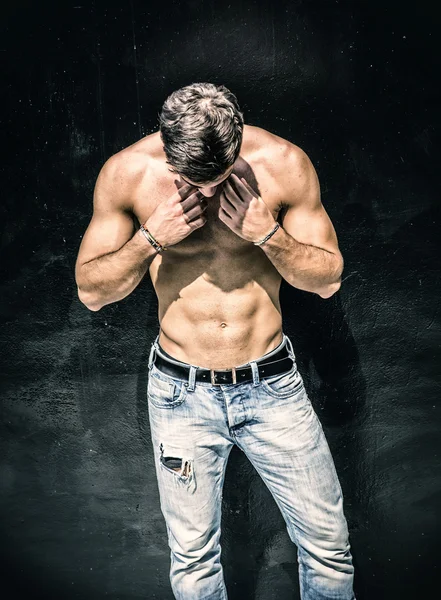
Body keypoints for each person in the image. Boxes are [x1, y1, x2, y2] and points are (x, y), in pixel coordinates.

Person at [75, 82, 355, 600]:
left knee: (327, 547)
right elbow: (92, 293)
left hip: (273, 389)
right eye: (188, 180)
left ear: (238, 143)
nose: (205, 194)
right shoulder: (129, 173)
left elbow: (328, 280)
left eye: (218, 179)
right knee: (194, 559)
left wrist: (268, 235)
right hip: (180, 396)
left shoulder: (283, 164)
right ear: (166, 148)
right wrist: (150, 238)